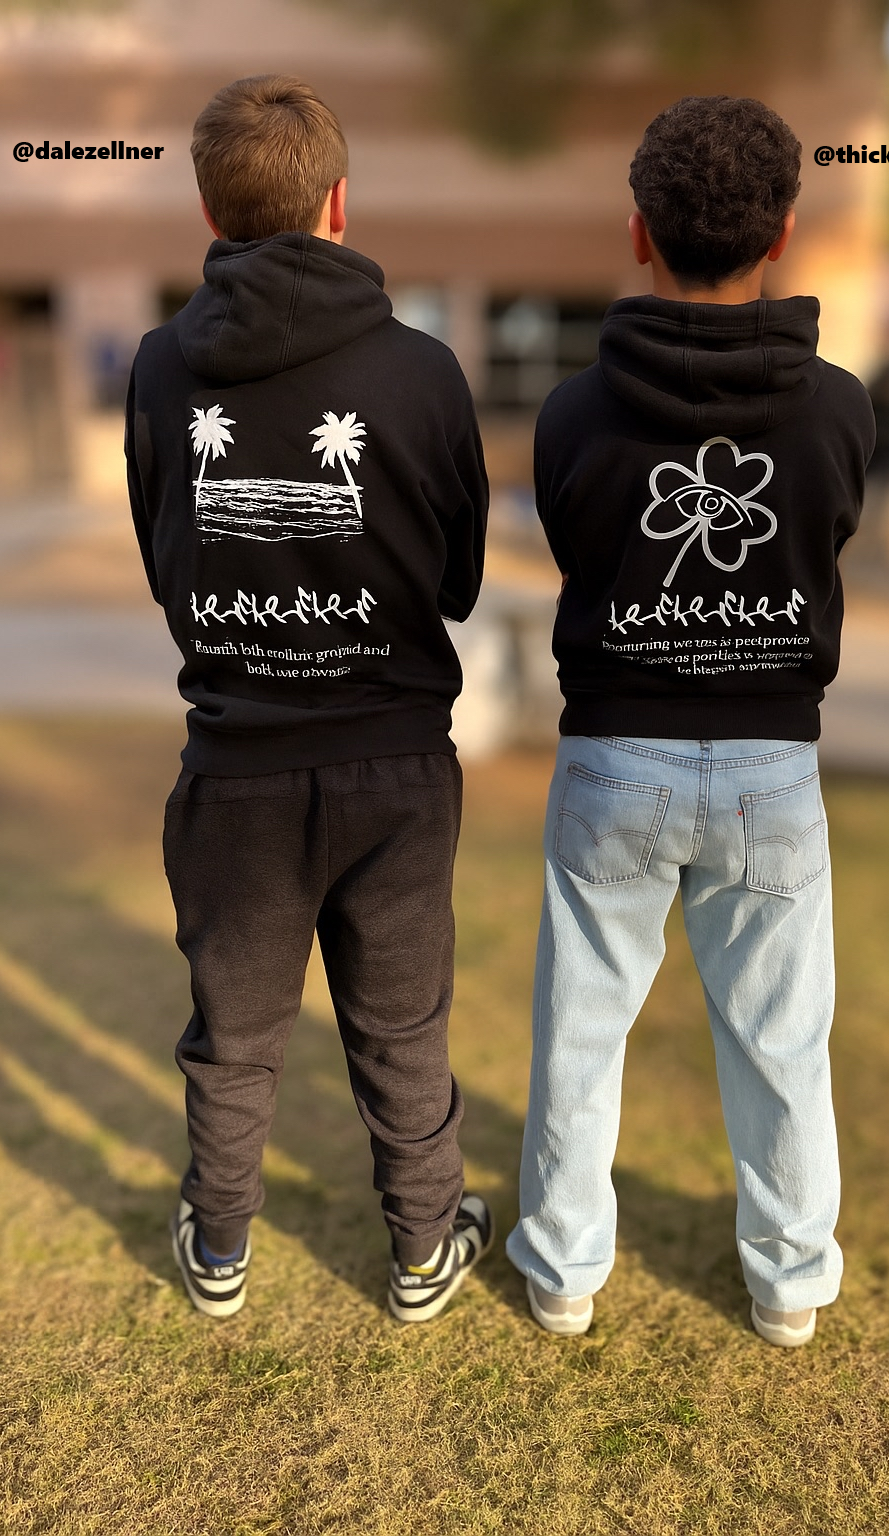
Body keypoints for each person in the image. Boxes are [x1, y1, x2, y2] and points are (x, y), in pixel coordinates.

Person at [506, 96, 875, 1346]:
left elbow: (576, 548)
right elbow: (825, 540)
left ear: (636, 231)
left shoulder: (570, 413)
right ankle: (789, 1281)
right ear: (781, 234)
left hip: (613, 756)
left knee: (580, 1029)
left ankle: (563, 1270)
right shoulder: (838, 408)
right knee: (781, 1040)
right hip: (773, 765)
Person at [125, 74, 492, 1322]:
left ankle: (219, 1246)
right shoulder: (425, 371)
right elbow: (456, 582)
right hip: (398, 768)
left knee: (233, 1034)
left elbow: (165, 556)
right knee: (401, 1028)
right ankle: (423, 1248)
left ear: (207, 209)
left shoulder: (159, 369)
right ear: (340, 201)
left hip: (235, 766)